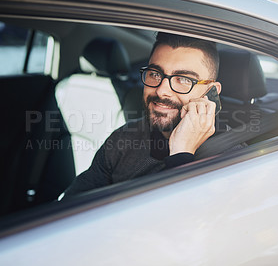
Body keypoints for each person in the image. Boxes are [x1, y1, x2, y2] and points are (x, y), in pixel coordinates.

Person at [62, 32, 229, 198]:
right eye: (155, 74)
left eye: (184, 79)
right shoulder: (124, 138)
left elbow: (183, 219)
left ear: (211, 91)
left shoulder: (235, 160)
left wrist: (181, 153)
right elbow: (71, 205)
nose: (162, 90)